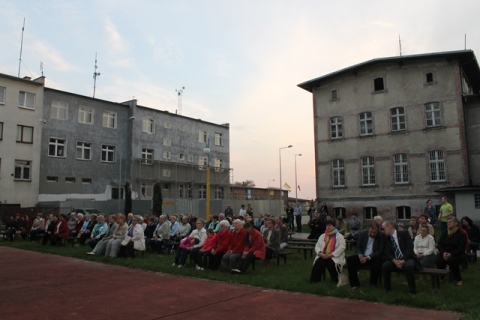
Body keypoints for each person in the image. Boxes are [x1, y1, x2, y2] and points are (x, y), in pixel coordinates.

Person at [381, 221, 422, 294]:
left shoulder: (404, 233)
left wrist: (402, 260)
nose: (382, 231)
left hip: (407, 258)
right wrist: (394, 261)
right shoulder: (386, 238)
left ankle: (412, 291)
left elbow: (409, 248)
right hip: (395, 259)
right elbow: (387, 253)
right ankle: (387, 289)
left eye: (383, 228)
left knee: (408, 266)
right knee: (385, 266)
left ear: (389, 227)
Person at [347, 221, 384, 288]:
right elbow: (358, 247)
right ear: (368, 229)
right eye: (371, 232)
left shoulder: (381, 236)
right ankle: (354, 284)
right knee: (350, 260)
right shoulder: (362, 234)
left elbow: (380, 251)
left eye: (374, 232)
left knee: (377, 263)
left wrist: (368, 257)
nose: (372, 234)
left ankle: (373, 284)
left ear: (378, 230)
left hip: (373, 257)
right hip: (363, 256)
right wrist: (360, 255)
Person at [436, 217, 468, 286]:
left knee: (452, 261)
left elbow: (461, 248)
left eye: (450, 222)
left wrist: (451, 254)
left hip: (457, 254)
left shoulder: (461, 234)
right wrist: (443, 253)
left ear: (456, 223)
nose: (448, 224)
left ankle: (457, 279)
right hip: (445, 253)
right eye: (447, 222)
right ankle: (442, 277)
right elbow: (440, 244)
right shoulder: (444, 232)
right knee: (439, 260)